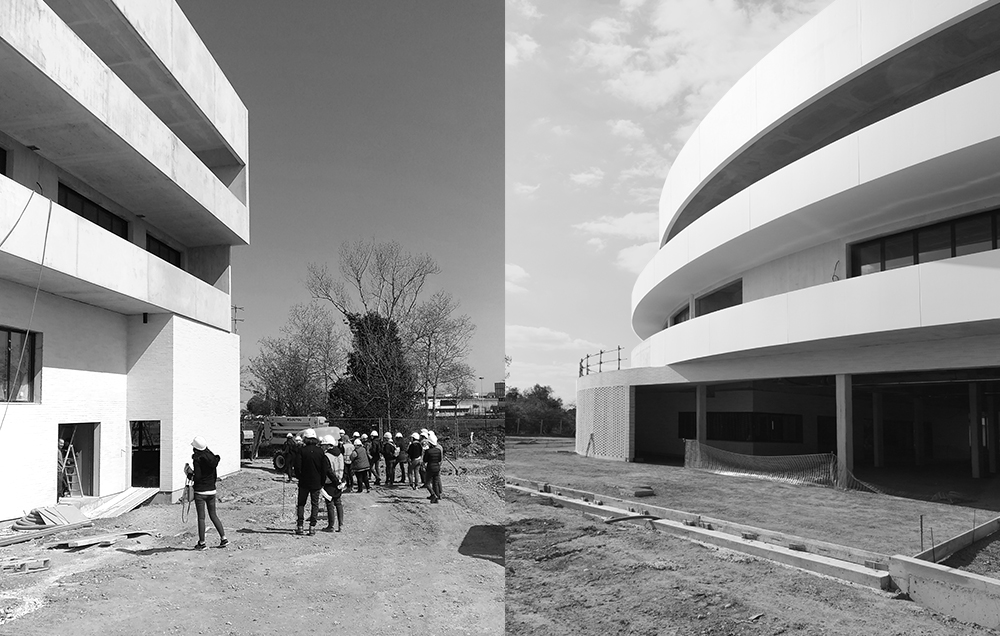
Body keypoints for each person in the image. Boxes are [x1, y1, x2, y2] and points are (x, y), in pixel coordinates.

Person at [184, 436, 228, 549]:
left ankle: (202, 543)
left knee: (201, 518)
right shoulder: (212, 458)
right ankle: (223, 538)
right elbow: (212, 475)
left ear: (195, 448)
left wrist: (188, 473)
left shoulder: (197, 459)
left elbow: (197, 477)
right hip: (212, 491)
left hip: (200, 492)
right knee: (213, 515)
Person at [294, 428, 326, 536]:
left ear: (305, 439)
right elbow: (324, 468)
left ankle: (300, 526)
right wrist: (322, 481)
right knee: (315, 504)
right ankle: (312, 527)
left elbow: (297, 467)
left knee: (301, 504)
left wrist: (300, 477)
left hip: (304, 482)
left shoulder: (301, 451)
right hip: (316, 482)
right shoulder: (320, 451)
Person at [320, 435, 344, 532]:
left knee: (329, 504)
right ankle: (341, 525)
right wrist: (340, 481)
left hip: (330, 482)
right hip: (339, 480)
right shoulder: (340, 454)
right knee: (338, 503)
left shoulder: (327, 456)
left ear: (328, 445)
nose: (322, 447)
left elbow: (328, 471)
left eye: (324, 445)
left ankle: (331, 526)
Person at [423, 432, 443, 503]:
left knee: (427, 483)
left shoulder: (428, 451)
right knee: (435, 483)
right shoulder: (438, 450)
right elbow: (440, 459)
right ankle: (437, 497)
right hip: (437, 468)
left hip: (430, 467)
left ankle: (433, 494)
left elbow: (425, 460)